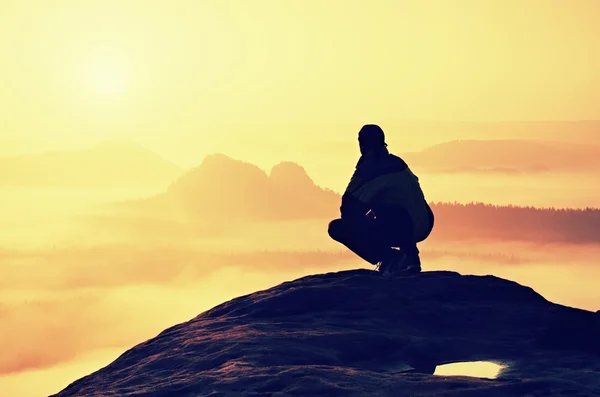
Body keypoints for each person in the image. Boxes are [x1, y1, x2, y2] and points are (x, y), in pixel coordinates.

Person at [328, 124, 434, 277]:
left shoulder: (370, 168)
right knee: (387, 206)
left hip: (403, 225)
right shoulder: (398, 162)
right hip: (425, 223)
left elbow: (348, 206)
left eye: (361, 142)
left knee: (337, 227)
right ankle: (410, 256)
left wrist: (364, 219)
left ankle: (391, 258)